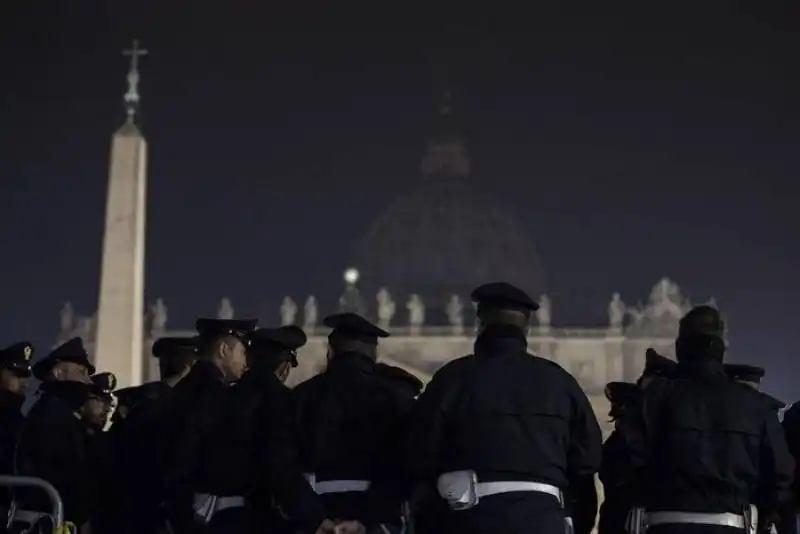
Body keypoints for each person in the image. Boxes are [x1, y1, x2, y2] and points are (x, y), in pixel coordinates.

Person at [405, 282, 602, 534]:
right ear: (526, 327)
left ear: (480, 323)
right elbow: (586, 466)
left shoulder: (452, 378)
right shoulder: (561, 382)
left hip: (470, 521)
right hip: (544, 520)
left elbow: (418, 454)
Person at [617, 305, 794, 534]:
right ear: (722, 351)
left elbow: (619, 466)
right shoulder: (757, 406)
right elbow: (780, 476)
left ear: (680, 349)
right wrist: (760, 514)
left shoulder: (652, 399)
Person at [294, 312, 417, 534]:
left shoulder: (301, 396)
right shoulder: (395, 397)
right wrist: (366, 518)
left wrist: (314, 517)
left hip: (318, 511)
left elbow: (282, 464)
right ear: (373, 354)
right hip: (377, 517)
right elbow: (405, 463)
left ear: (330, 351)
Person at [14, 338, 100, 533]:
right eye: (82, 373)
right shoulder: (50, 417)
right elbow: (61, 475)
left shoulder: (58, 412)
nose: (88, 382)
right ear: (59, 372)